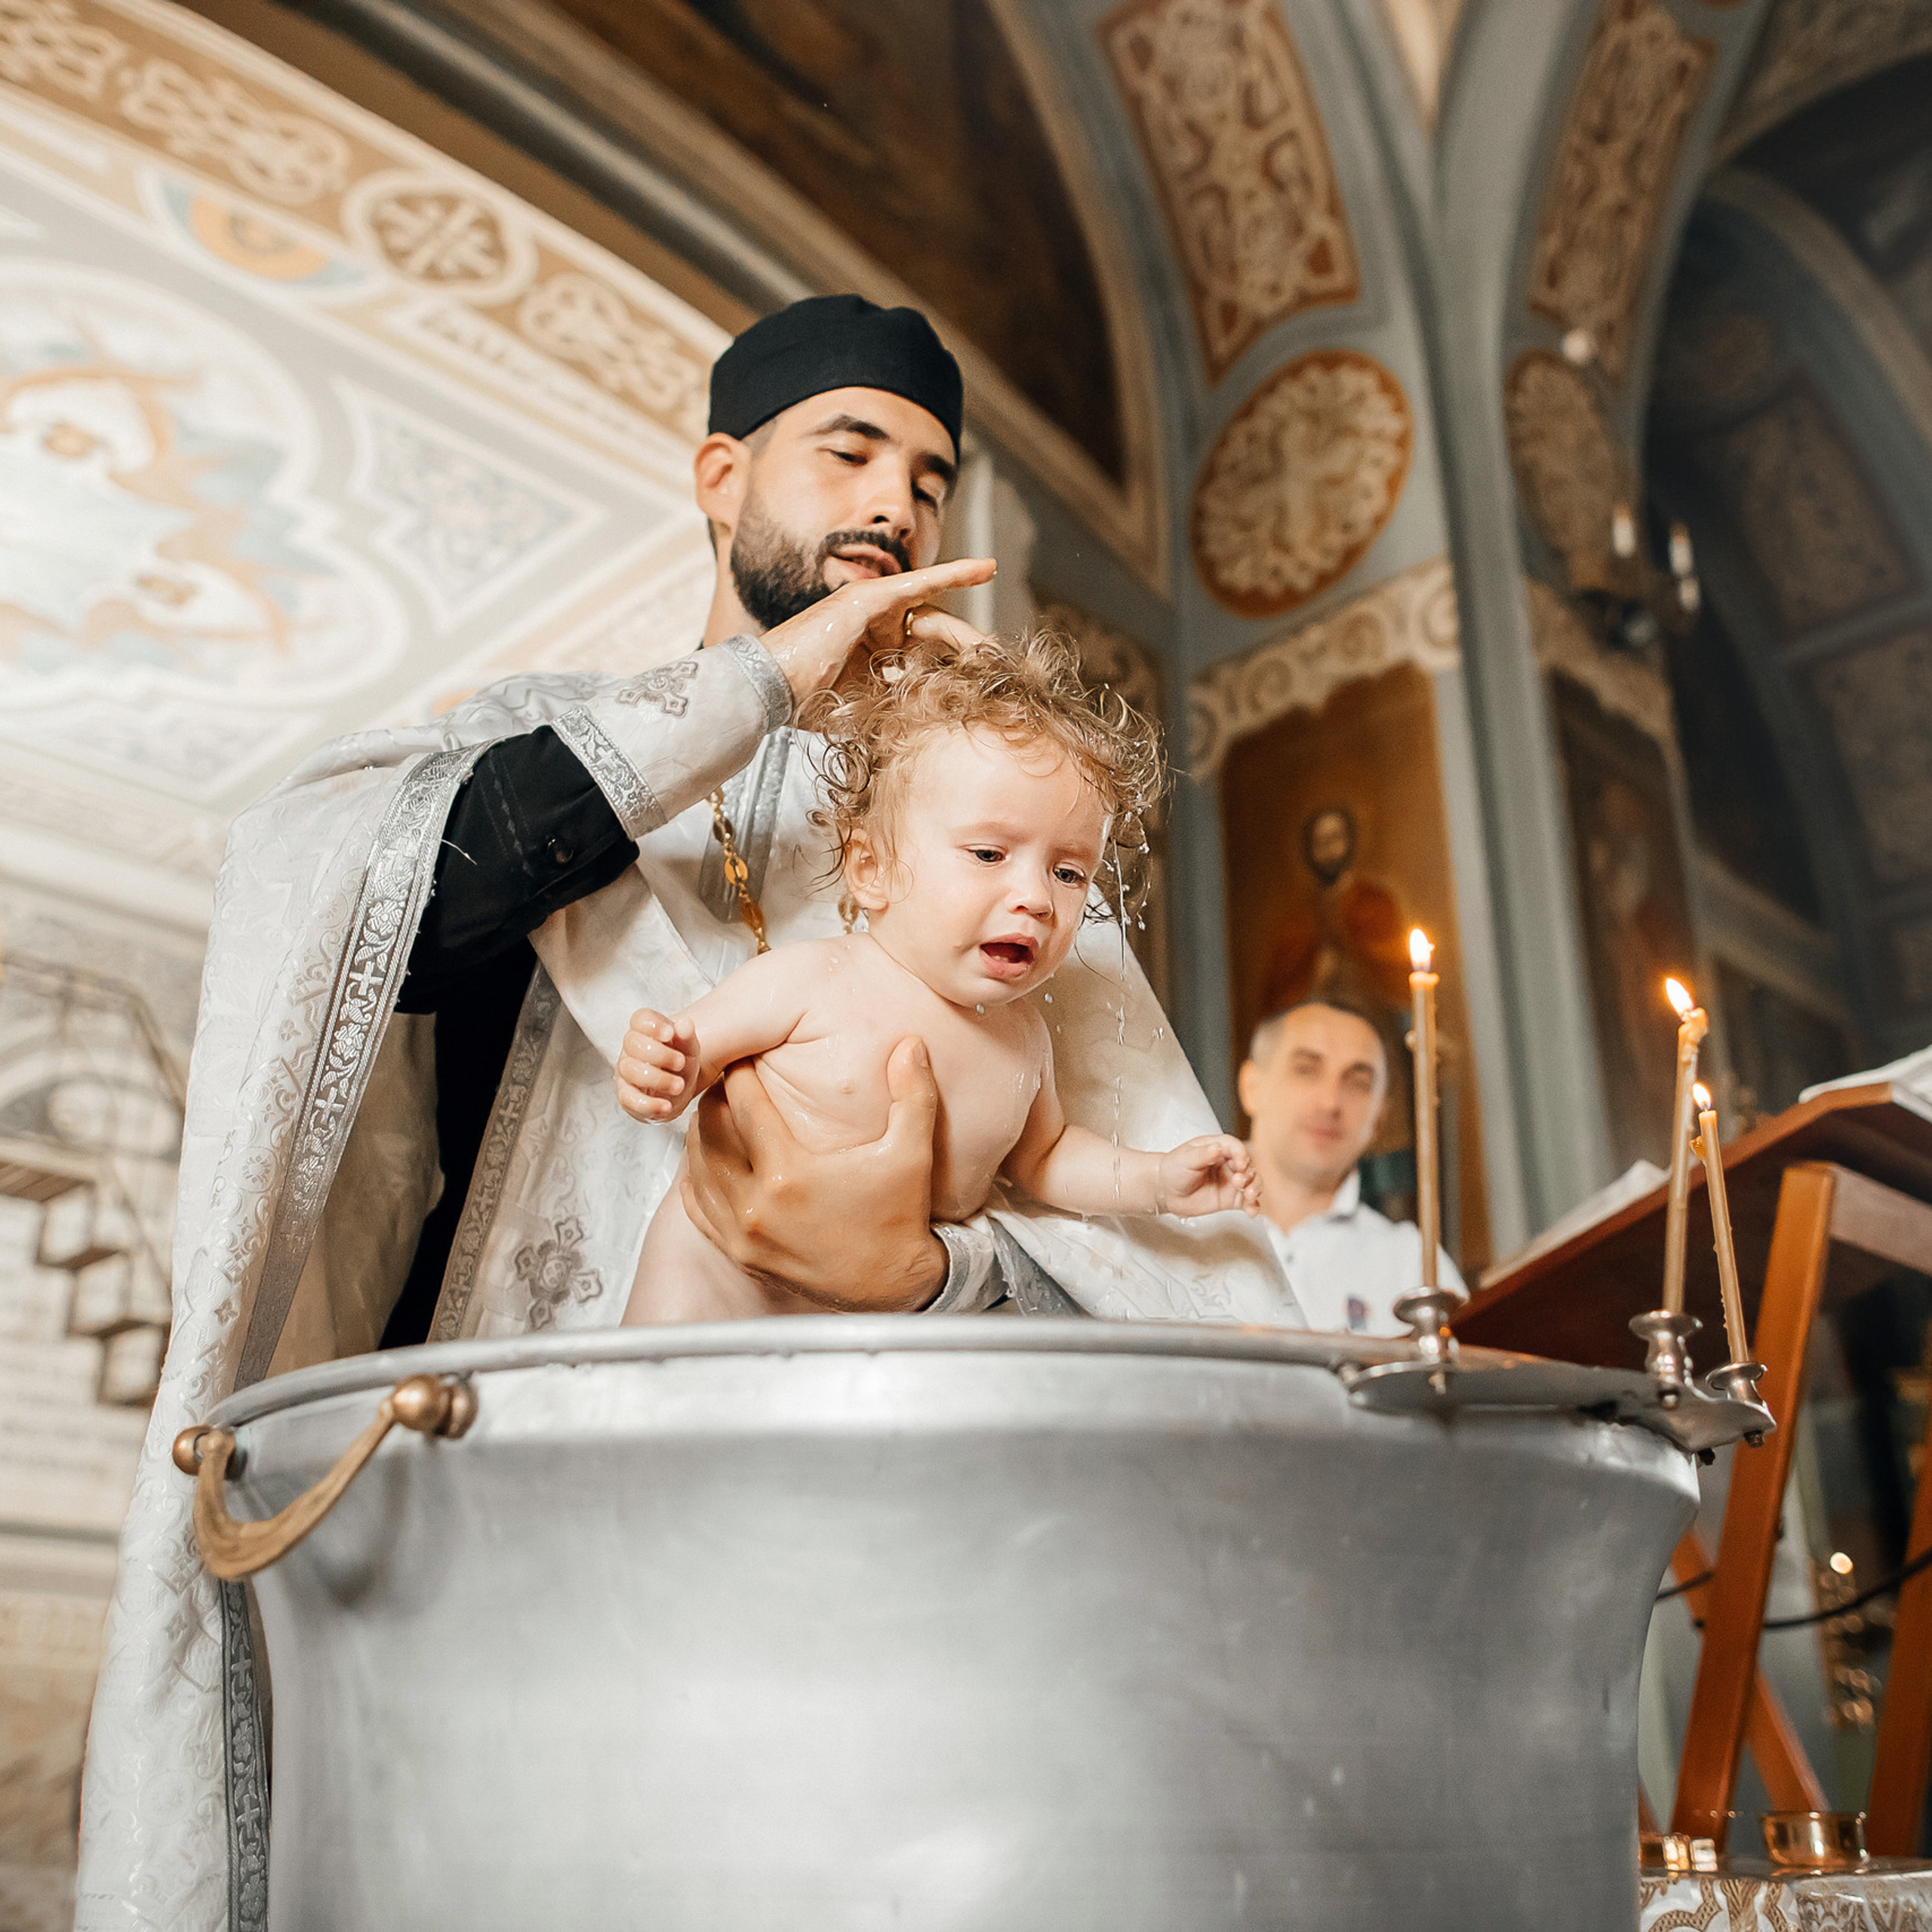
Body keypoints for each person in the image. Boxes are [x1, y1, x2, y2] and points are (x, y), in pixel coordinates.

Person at [82, 294, 1296, 1927]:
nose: (892, 502)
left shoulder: (988, 826)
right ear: (722, 475)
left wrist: (927, 1275)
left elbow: (1084, 1205)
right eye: (847, 449)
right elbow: (375, 930)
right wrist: (759, 687)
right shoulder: (554, 751)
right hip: (513, 1511)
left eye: (929, 478)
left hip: (877, 1526)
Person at [619, 632, 1258, 1322]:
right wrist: (662, 1068)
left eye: (1069, 872)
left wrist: (1159, 1182)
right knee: (659, 1408)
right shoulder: (809, 981)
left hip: (876, 1319)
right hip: (716, 1278)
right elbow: (689, 1053)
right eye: (989, 853)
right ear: (873, 869)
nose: (1038, 898)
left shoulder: (1024, 1041)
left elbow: (1043, 1163)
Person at [1239, 998, 1463, 1335]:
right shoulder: (1173, 1227)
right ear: (1251, 1087)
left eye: (1358, 1082)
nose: (1331, 1102)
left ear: (1379, 1117)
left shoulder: (1413, 1265)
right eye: (1306, 1069)